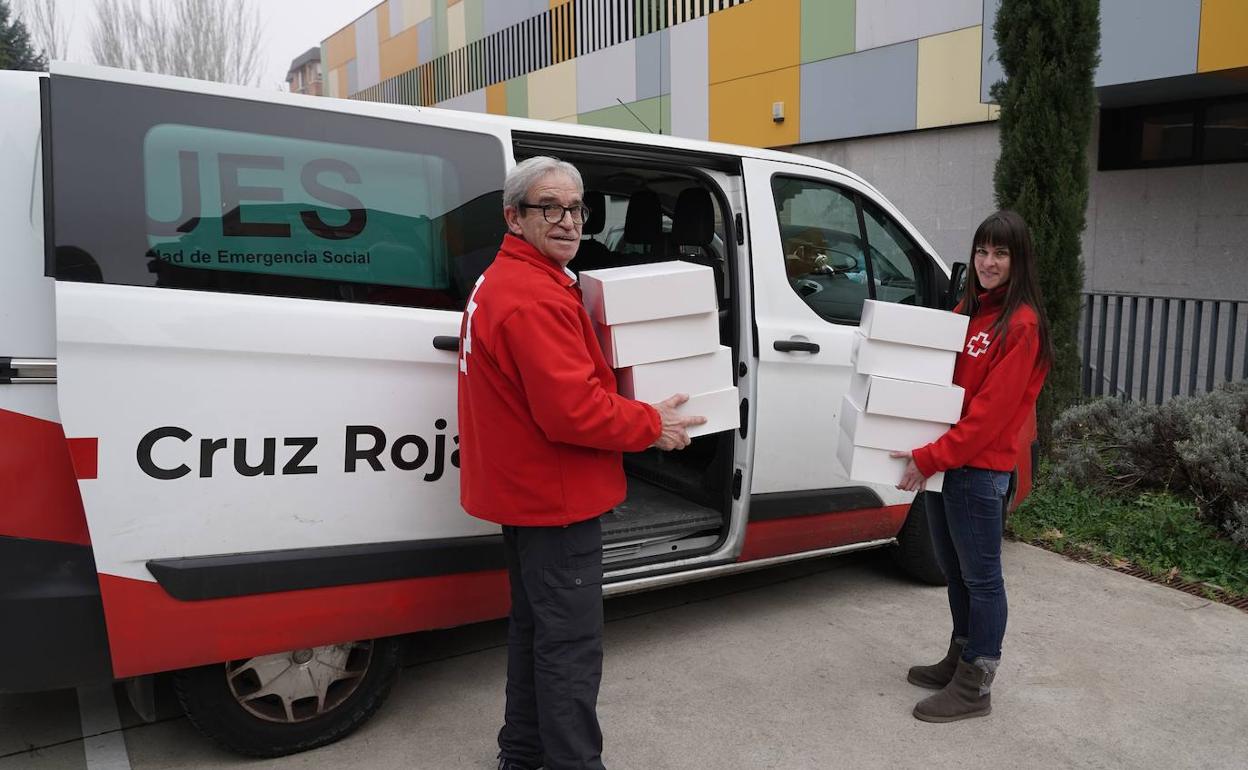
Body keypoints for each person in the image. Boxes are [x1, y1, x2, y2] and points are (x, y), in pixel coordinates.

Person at [457, 156, 705, 770]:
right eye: (550, 207)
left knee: (536, 635)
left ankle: (521, 756)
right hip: (556, 501)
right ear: (514, 217)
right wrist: (654, 423)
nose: (567, 221)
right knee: (568, 649)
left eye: (576, 208)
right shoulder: (533, 297)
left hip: (526, 495)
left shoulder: (509, 278)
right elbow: (572, 412)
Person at [890, 210, 1052, 723]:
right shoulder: (972, 309)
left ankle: (977, 684)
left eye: (1000, 253)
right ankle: (960, 656)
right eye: (982, 251)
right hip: (950, 465)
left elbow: (987, 418)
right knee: (956, 573)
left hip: (978, 469)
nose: (987, 262)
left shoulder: (1021, 325)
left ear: (1018, 259)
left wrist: (928, 458)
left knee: (982, 579)